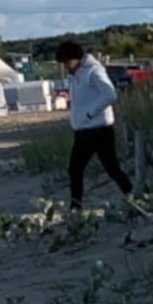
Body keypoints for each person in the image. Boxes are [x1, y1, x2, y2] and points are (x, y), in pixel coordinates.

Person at [58, 41, 133, 209]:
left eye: (67, 62)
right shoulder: (76, 73)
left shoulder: (93, 70)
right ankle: (132, 194)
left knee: (90, 168)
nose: (66, 66)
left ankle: (76, 206)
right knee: (87, 169)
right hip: (84, 130)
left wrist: (90, 113)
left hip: (98, 129)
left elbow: (110, 94)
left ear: (76, 58)